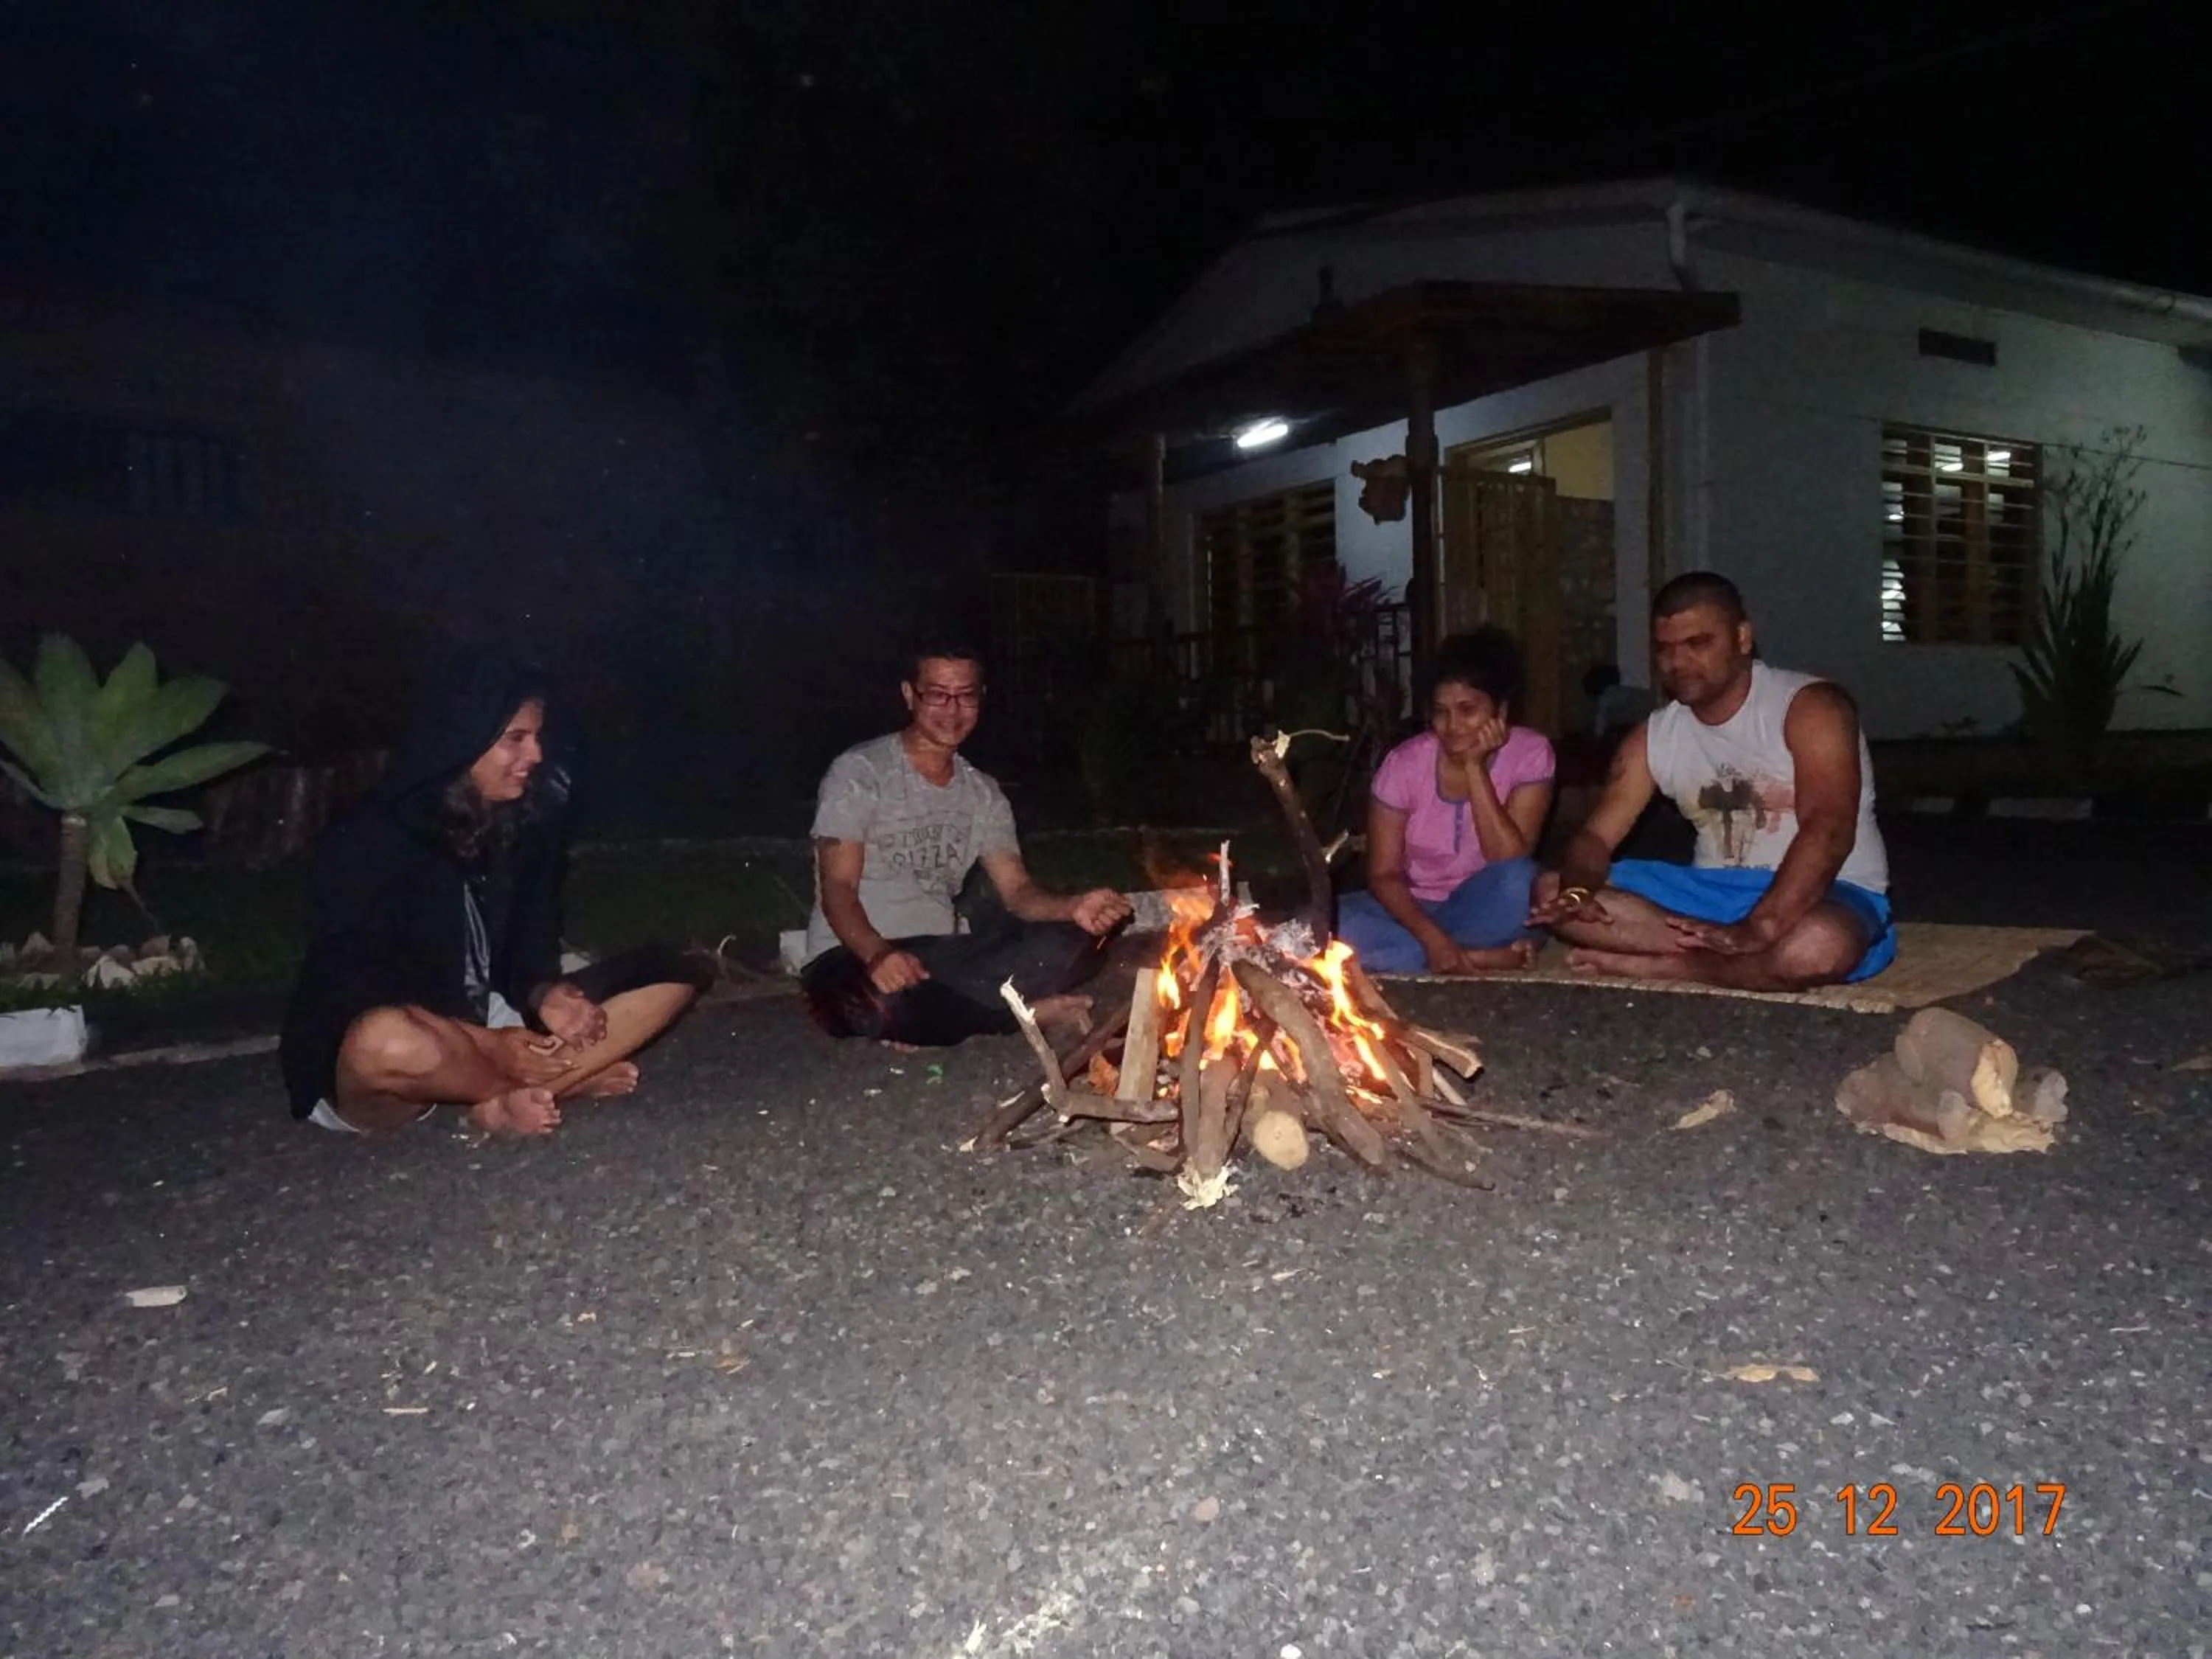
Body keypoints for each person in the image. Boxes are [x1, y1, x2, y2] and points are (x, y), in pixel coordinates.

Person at [279, 658, 711, 1137]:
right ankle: (520, 1091)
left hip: (490, 1028)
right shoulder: (369, 837)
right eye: (516, 739)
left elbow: (526, 955)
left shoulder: (522, 828)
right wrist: (490, 1043)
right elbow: (355, 990)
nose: (537, 755)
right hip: (396, 1061)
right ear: (461, 740)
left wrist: (546, 995)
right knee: (386, 1040)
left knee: (677, 972)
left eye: (538, 738)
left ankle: (509, 1095)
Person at [1528, 572, 1896, 989]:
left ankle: (1673, 966)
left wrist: (1762, 927)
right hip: (1711, 894)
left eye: (1698, 644)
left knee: (1818, 945)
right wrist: (1577, 893)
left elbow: (1829, 828)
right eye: (1665, 650)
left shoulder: (1810, 707)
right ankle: (1731, 959)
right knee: (1549, 888)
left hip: (1826, 890)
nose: (1678, 663)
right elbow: (1596, 839)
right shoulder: (1654, 736)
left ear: (1742, 638)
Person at [801, 642, 1133, 1046]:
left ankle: (955, 1015)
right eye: (938, 695)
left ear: (981, 698)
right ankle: (1015, 1014)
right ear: (910, 695)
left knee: (1080, 941)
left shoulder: (983, 793)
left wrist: (1073, 907)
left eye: (966, 696)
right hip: (851, 955)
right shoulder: (860, 772)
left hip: (942, 957)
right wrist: (877, 954)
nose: (952, 711)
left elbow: (1018, 892)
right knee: (876, 1005)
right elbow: (838, 887)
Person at [1335, 627, 1555, 975]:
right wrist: (1432, 938)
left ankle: (1443, 957)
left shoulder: (1531, 754)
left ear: (1501, 710)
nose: (1452, 726)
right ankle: (1477, 956)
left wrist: (1474, 768)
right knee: (1325, 923)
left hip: (1487, 906)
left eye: (1468, 709)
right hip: (1410, 910)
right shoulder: (1404, 765)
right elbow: (1383, 875)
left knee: (1520, 882)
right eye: (1441, 711)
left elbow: (1509, 861)